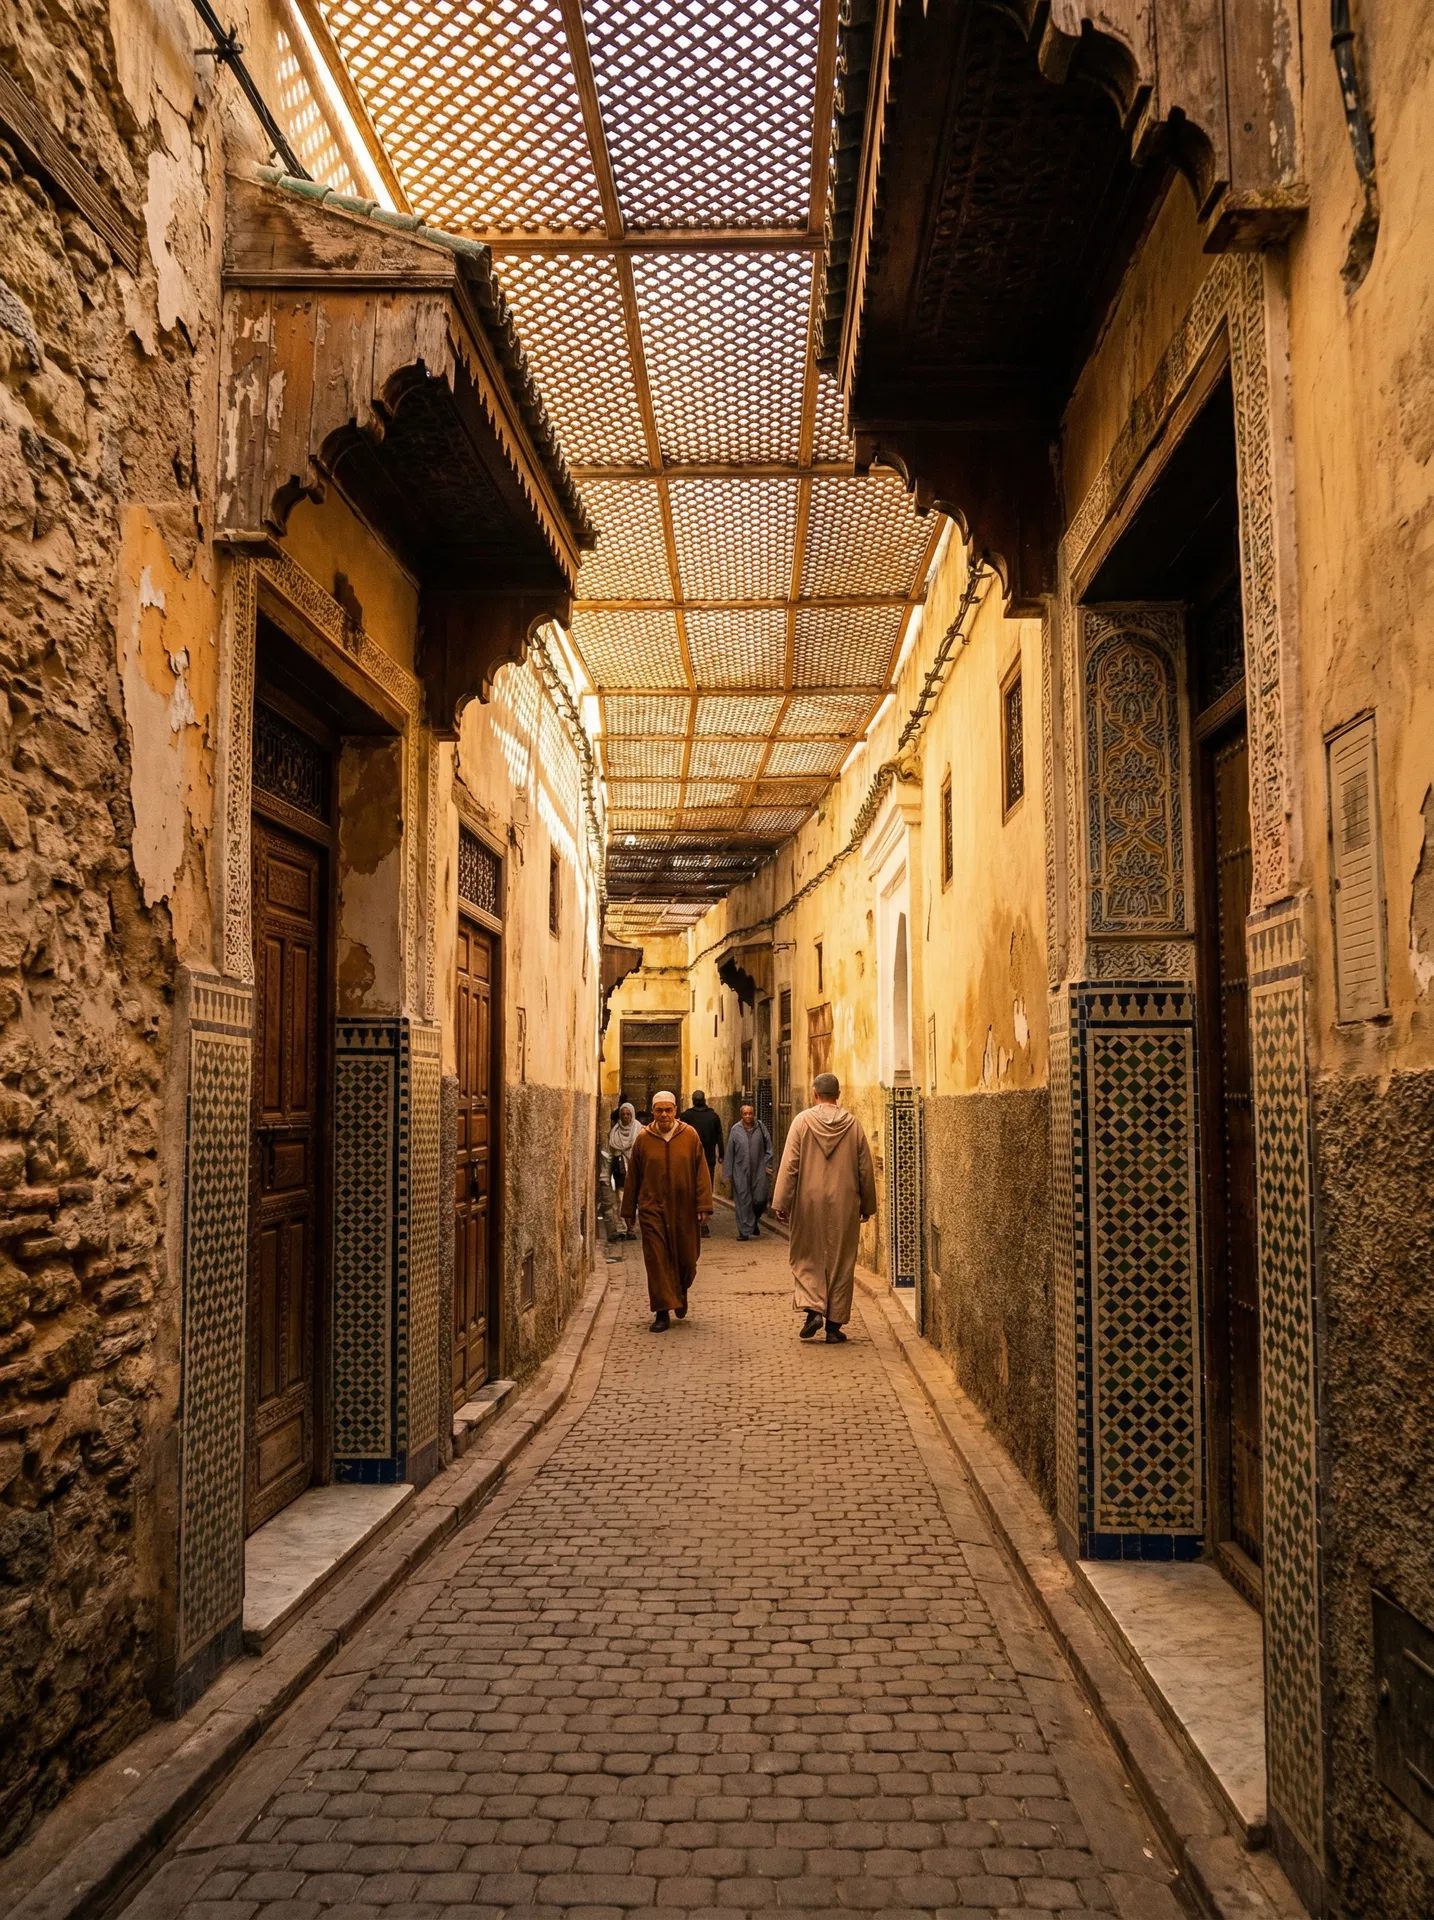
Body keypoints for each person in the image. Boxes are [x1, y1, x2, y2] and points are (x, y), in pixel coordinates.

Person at [771, 1071, 876, 1344]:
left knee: (807, 1255)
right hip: (845, 1203)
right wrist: (867, 1204)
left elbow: (790, 1164)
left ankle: (813, 1308)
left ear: (814, 1093)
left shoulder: (802, 1122)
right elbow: (865, 1168)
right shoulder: (853, 1125)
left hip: (808, 1201)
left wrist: (781, 1202)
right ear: (838, 1094)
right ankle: (833, 1327)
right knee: (841, 1260)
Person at [622, 1090, 713, 1331]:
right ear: (652, 1112)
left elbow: (701, 1172)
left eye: (668, 1110)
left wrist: (703, 1205)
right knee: (657, 1261)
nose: (664, 1115)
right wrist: (629, 1210)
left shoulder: (690, 1136)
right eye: (659, 1110)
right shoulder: (643, 1139)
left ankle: (680, 1291)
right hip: (652, 1209)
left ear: (675, 1111)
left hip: (684, 1209)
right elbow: (633, 1177)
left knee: (687, 1259)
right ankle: (662, 1311)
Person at [722, 1100, 773, 1241]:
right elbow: (730, 1152)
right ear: (741, 1115)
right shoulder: (735, 1129)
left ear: (754, 1114)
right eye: (745, 1114)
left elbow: (769, 1147)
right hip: (740, 1170)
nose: (748, 1116)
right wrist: (728, 1173)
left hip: (759, 1169)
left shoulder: (760, 1127)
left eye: (750, 1113)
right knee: (743, 1201)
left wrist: (767, 1164)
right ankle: (744, 1231)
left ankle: (753, 1221)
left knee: (760, 1199)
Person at [679, 1089, 724, 1237]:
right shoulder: (713, 1116)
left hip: (689, 1160)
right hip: (708, 1159)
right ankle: (704, 1224)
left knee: (691, 1190)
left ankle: (693, 1221)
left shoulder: (686, 1116)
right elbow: (719, 1137)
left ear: (693, 1100)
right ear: (704, 1100)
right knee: (706, 1191)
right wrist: (721, 1155)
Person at [606, 1101, 640, 1241]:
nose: (626, 1116)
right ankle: (625, 1228)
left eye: (628, 1114)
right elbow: (610, 1153)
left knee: (634, 1200)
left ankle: (632, 1227)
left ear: (632, 1115)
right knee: (621, 1200)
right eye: (623, 1114)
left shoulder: (639, 1130)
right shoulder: (615, 1132)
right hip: (620, 1172)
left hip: (635, 1171)